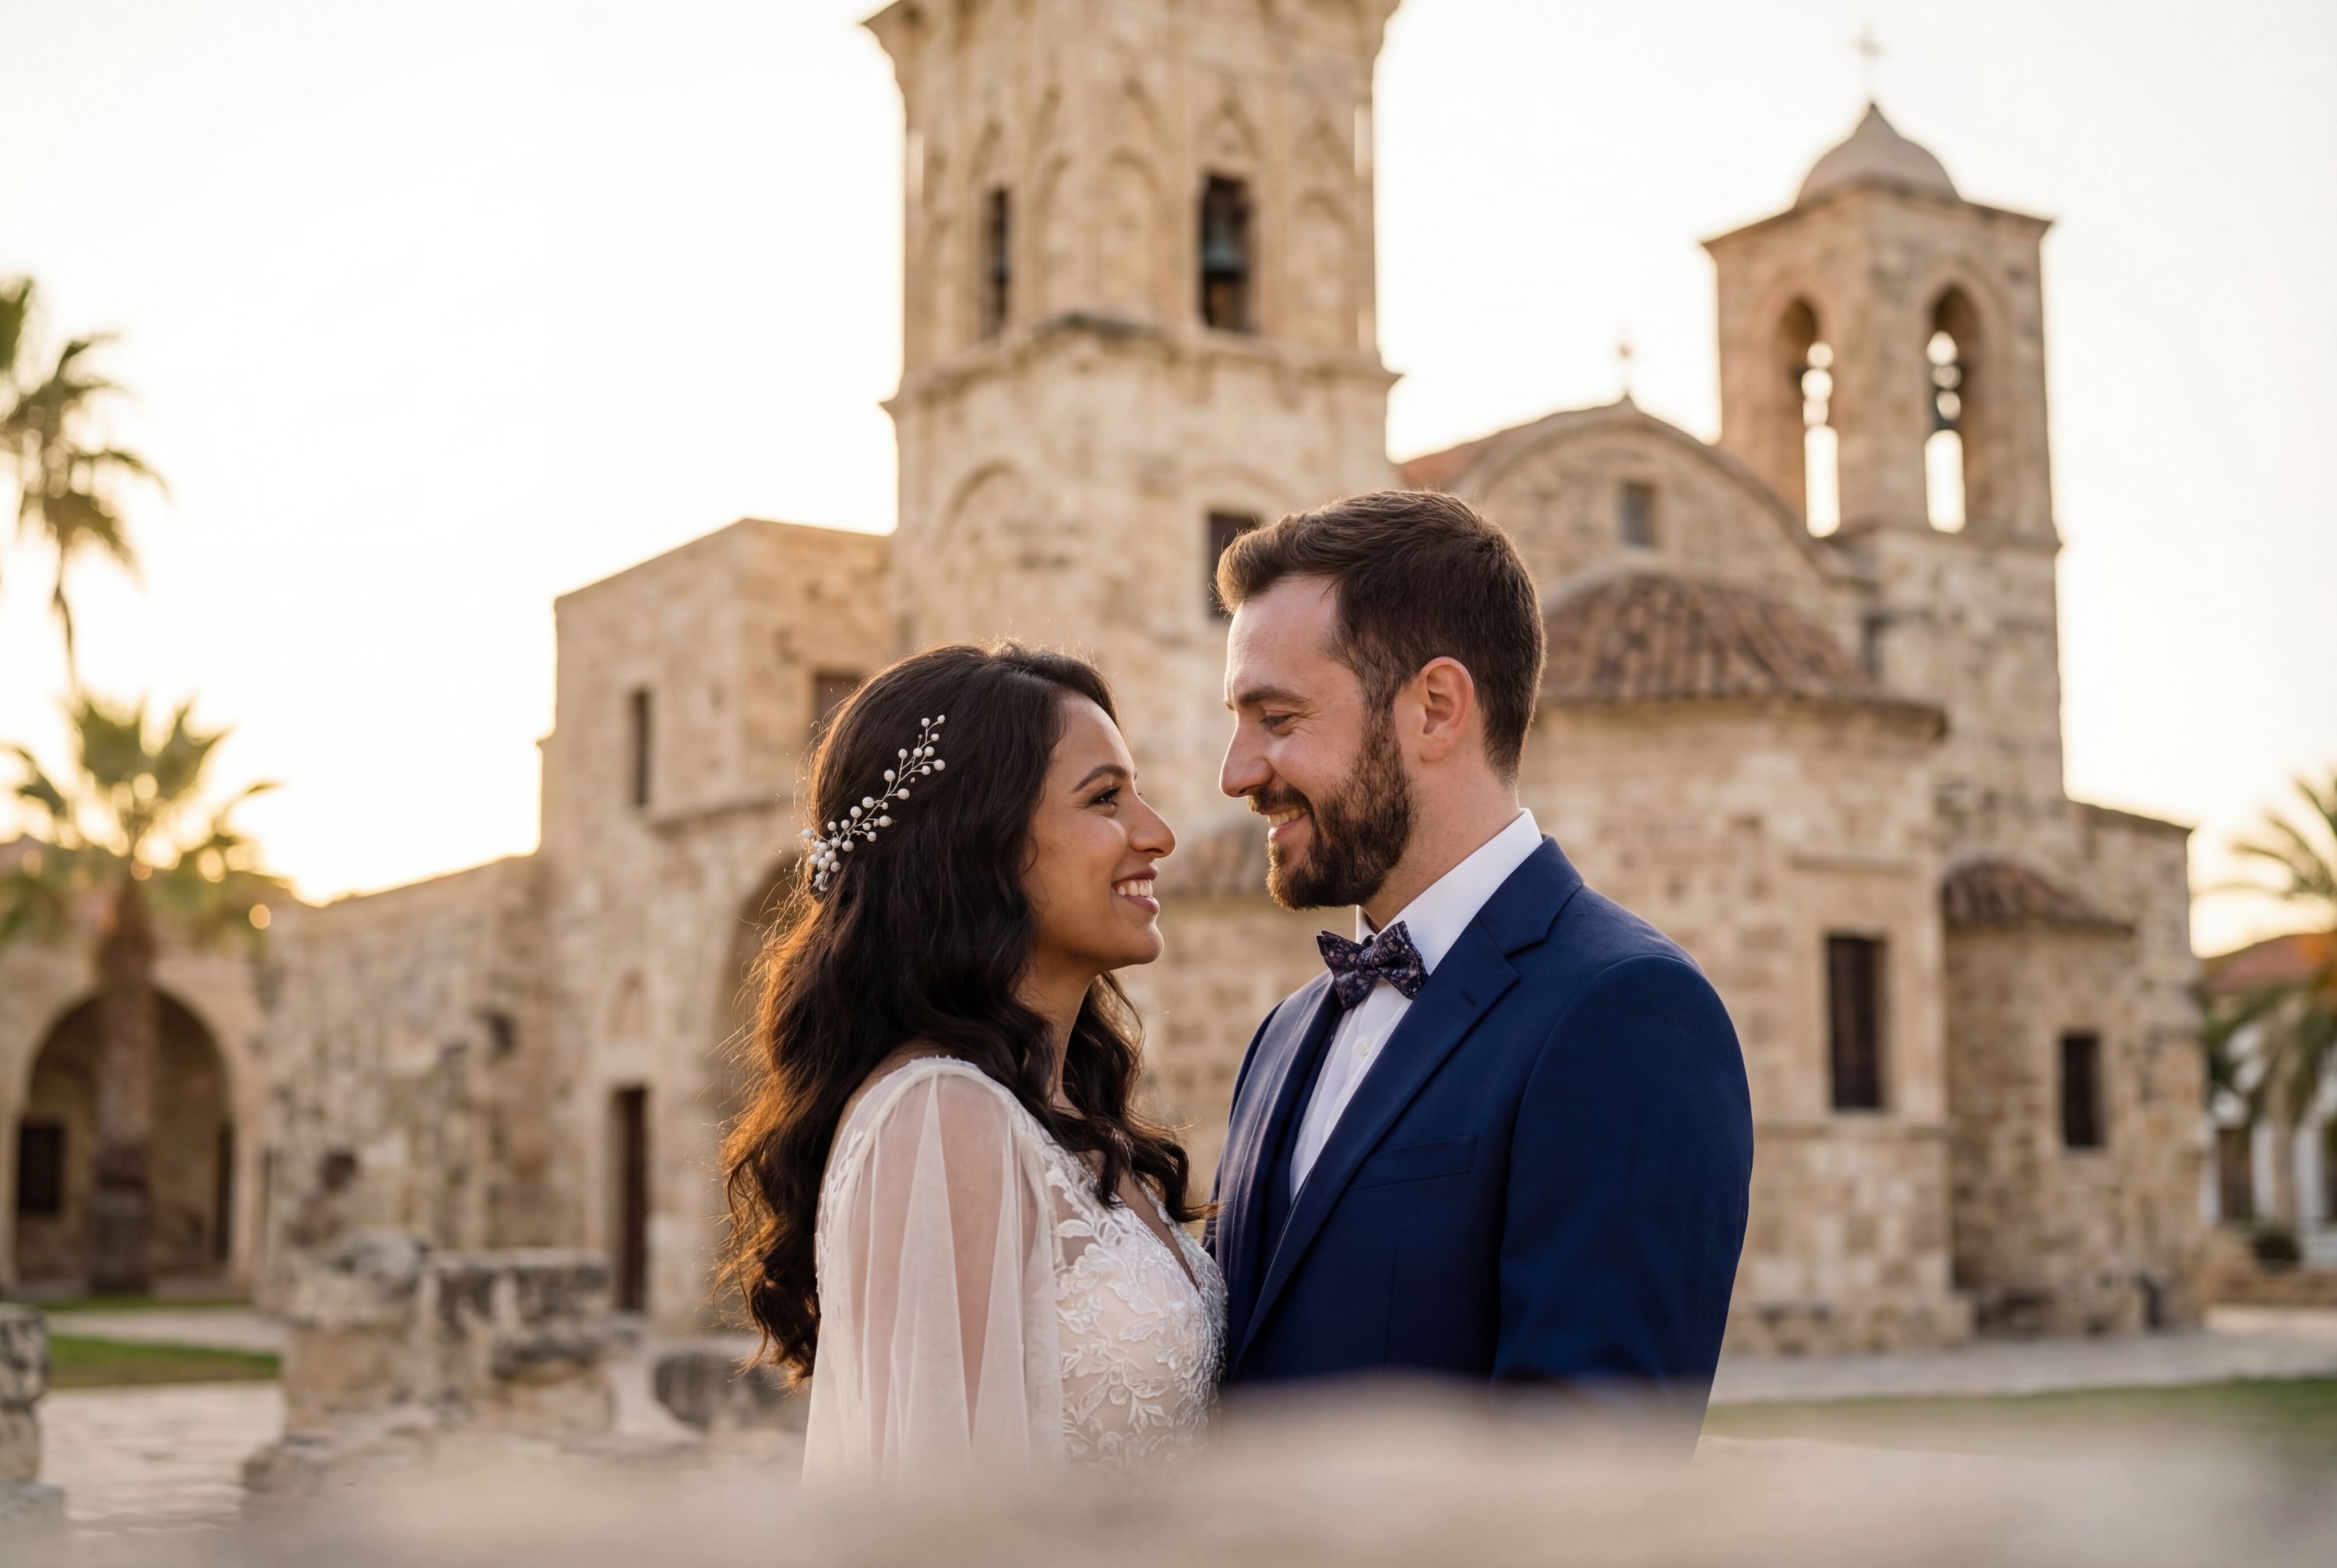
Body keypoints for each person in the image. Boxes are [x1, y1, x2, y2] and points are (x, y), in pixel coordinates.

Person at [1208, 490, 1754, 1433]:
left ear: (1435, 708)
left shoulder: (1628, 1014)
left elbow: (1585, 1482)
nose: (1237, 771)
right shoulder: (1285, 1032)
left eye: (1278, 719)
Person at [720, 643, 1220, 1478]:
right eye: (1105, 799)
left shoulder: (1058, 1115)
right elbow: (942, 1520)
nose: (1157, 833)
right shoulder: (940, 1119)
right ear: (977, 843)